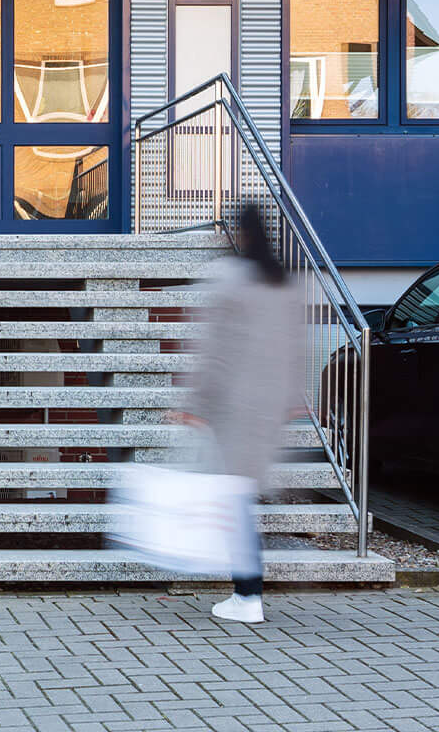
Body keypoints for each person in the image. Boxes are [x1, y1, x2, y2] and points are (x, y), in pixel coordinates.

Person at [179, 202, 306, 625]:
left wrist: (196, 405)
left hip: (234, 406)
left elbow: (215, 351)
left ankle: (248, 594)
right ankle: (246, 590)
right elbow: (295, 348)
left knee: (235, 501)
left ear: (240, 233)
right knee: (240, 497)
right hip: (267, 408)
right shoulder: (284, 283)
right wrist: (291, 399)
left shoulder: (232, 281)